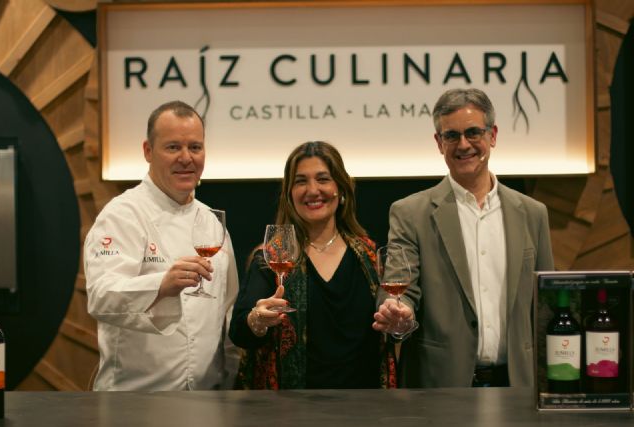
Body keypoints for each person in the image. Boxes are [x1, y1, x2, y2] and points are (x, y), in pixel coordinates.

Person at [373, 88, 554, 388]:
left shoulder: (533, 213)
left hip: (518, 387)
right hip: (439, 387)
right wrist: (398, 311)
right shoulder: (410, 213)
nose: (464, 144)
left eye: (473, 132)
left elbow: (546, 307)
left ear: (492, 135)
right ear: (438, 142)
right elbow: (398, 287)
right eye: (452, 136)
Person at [84, 101, 239, 391]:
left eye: (195, 147)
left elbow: (227, 311)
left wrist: (229, 380)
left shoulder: (213, 223)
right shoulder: (122, 214)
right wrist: (161, 285)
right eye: (173, 147)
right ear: (148, 151)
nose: (186, 158)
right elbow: (101, 296)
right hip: (135, 399)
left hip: (206, 401)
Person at [229, 141, 396, 389]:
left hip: (367, 403)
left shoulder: (370, 256)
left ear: (340, 189)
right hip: (291, 406)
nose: (313, 190)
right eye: (301, 181)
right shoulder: (271, 259)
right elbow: (239, 333)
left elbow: (391, 330)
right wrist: (258, 320)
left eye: (323, 179)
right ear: (289, 194)